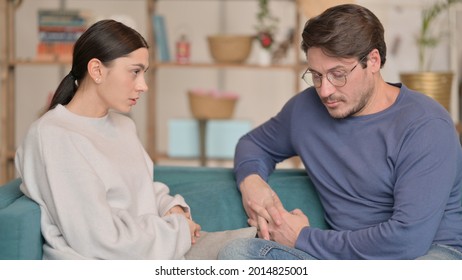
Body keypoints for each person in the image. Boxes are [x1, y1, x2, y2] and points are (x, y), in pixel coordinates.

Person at [218, 4, 462, 260]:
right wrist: (252, 184)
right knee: (238, 254)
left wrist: (302, 237)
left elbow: (406, 241)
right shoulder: (305, 109)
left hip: (428, 254)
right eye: (316, 75)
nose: (325, 90)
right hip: (342, 257)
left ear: (374, 61)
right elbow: (254, 145)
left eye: (338, 74)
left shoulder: (426, 126)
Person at [15, 19, 201, 259]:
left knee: (252, 244)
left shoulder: (124, 126)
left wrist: (169, 207)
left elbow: (140, 189)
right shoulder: (53, 136)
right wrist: (177, 231)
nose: (143, 86)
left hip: (157, 252)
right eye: (134, 72)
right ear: (97, 70)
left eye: (144, 73)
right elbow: (100, 240)